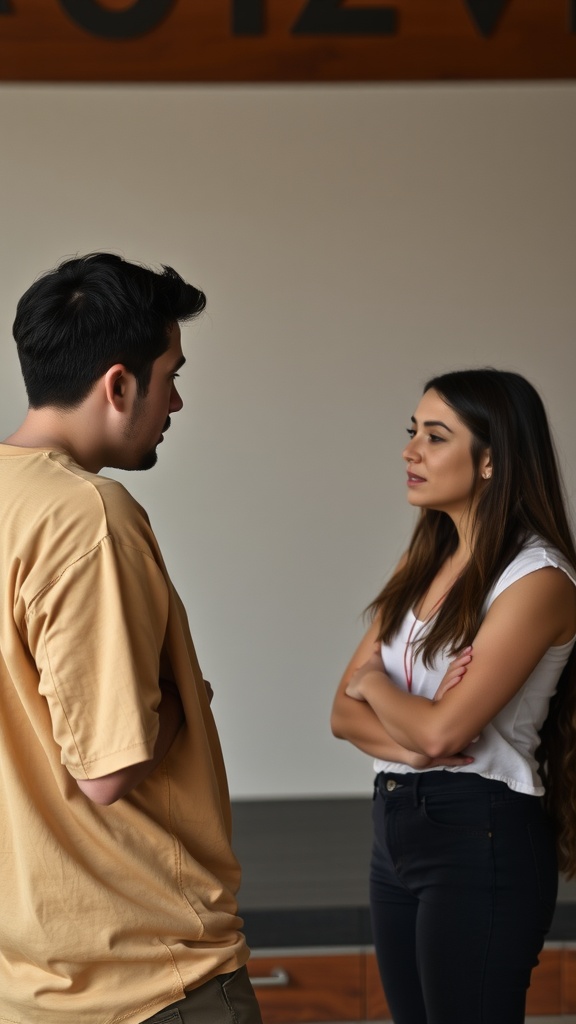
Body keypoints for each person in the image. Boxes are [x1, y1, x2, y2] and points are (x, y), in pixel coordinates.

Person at [0, 253, 263, 1024]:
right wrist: (186, 699)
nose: (176, 399)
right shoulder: (85, 516)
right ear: (119, 385)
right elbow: (108, 771)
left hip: (30, 978)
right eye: (170, 374)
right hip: (151, 977)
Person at [331, 368, 576, 1024]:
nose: (410, 451)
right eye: (412, 432)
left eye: (435, 437)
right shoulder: (419, 567)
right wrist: (412, 743)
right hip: (396, 824)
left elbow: (442, 734)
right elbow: (339, 714)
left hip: (480, 830)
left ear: (491, 459)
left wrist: (376, 684)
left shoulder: (538, 580)